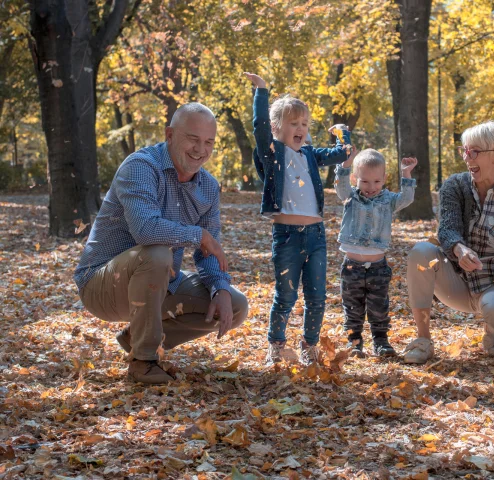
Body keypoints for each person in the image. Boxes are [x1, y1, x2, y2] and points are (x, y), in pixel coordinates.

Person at [74, 103, 249, 384]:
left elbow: (208, 253)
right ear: (170, 134)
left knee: (236, 304)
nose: (200, 149)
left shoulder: (208, 187)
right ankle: (143, 362)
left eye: (208, 142)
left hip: (160, 282)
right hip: (102, 284)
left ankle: (136, 337)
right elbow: (145, 230)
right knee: (156, 254)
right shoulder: (141, 167)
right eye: (193, 138)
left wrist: (220, 287)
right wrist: (199, 235)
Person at [403, 121, 494, 363]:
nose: (467, 158)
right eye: (465, 151)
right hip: (457, 282)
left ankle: (493, 334)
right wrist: (459, 250)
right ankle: (423, 340)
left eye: (475, 152)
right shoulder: (455, 186)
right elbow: (447, 230)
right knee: (421, 253)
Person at [244, 72, 351, 366]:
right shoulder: (273, 153)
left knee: (316, 298)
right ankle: (276, 346)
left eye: (304, 124)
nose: (300, 128)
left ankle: (309, 345)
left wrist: (343, 133)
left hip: (315, 236)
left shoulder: (310, 155)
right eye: (293, 123)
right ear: (278, 128)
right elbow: (259, 128)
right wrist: (262, 92)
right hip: (287, 236)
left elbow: (342, 153)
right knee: (286, 297)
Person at [334, 148, 417, 358]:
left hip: (378, 267)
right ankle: (354, 343)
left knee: (379, 307)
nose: (371, 188)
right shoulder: (350, 197)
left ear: (384, 179)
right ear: (355, 179)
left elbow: (406, 199)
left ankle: (381, 342)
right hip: (352, 266)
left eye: (377, 182)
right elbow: (341, 186)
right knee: (352, 308)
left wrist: (406, 174)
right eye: (364, 182)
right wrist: (345, 165)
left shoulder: (388, 200)